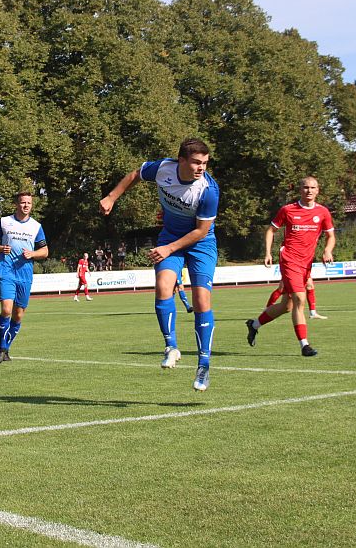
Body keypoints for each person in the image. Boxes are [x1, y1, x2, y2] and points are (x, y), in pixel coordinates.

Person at [100, 138, 219, 391]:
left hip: (201, 243)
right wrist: (112, 197)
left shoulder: (208, 190)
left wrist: (168, 248)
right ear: (182, 160)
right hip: (170, 238)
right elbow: (135, 174)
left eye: (205, 163)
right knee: (163, 287)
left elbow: (200, 231)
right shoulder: (164, 168)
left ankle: (203, 364)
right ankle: (171, 347)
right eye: (197, 162)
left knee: (201, 301)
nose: (202, 168)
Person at [245, 177, 335, 357]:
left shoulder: (323, 212)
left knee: (287, 306)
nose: (309, 191)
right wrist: (268, 253)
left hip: (306, 264)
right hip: (289, 260)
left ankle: (254, 325)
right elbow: (271, 230)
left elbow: (330, 236)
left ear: (318, 190)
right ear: (299, 190)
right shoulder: (288, 210)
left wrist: (327, 250)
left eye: (313, 188)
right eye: (305, 187)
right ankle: (305, 345)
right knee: (300, 299)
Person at [0, 191, 48, 363]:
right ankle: (1, 349)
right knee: (6, 309)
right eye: (23, 202)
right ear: (17, 204)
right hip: (6, 271)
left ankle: (6, 349)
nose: (26, 205)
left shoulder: (36, 226)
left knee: (18, 315)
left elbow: (45, 251)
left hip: (25, 274)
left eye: (29, 203)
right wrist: (0, 248)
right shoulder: (5, 222)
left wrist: (33, 253)